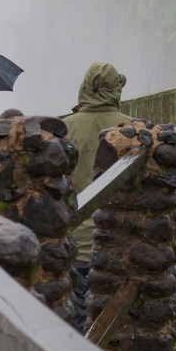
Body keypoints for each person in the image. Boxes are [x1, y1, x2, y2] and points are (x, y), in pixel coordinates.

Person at [62, 62, 131, 332]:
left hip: (75, 242)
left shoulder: (64, 128)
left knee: (78, 320)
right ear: (115, 89)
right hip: (116, 242)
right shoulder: (129, 128)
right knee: (115, 323)